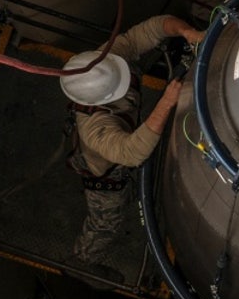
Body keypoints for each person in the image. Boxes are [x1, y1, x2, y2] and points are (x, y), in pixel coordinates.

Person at [58, 14, 203, 272]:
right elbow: (132, 152)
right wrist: (167, 102)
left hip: (122, 139)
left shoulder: (104, 60)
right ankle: (82, 263)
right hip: (106, 175)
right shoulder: (96, 130)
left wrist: (186, 32)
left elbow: (152, 29)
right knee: (105, 226)